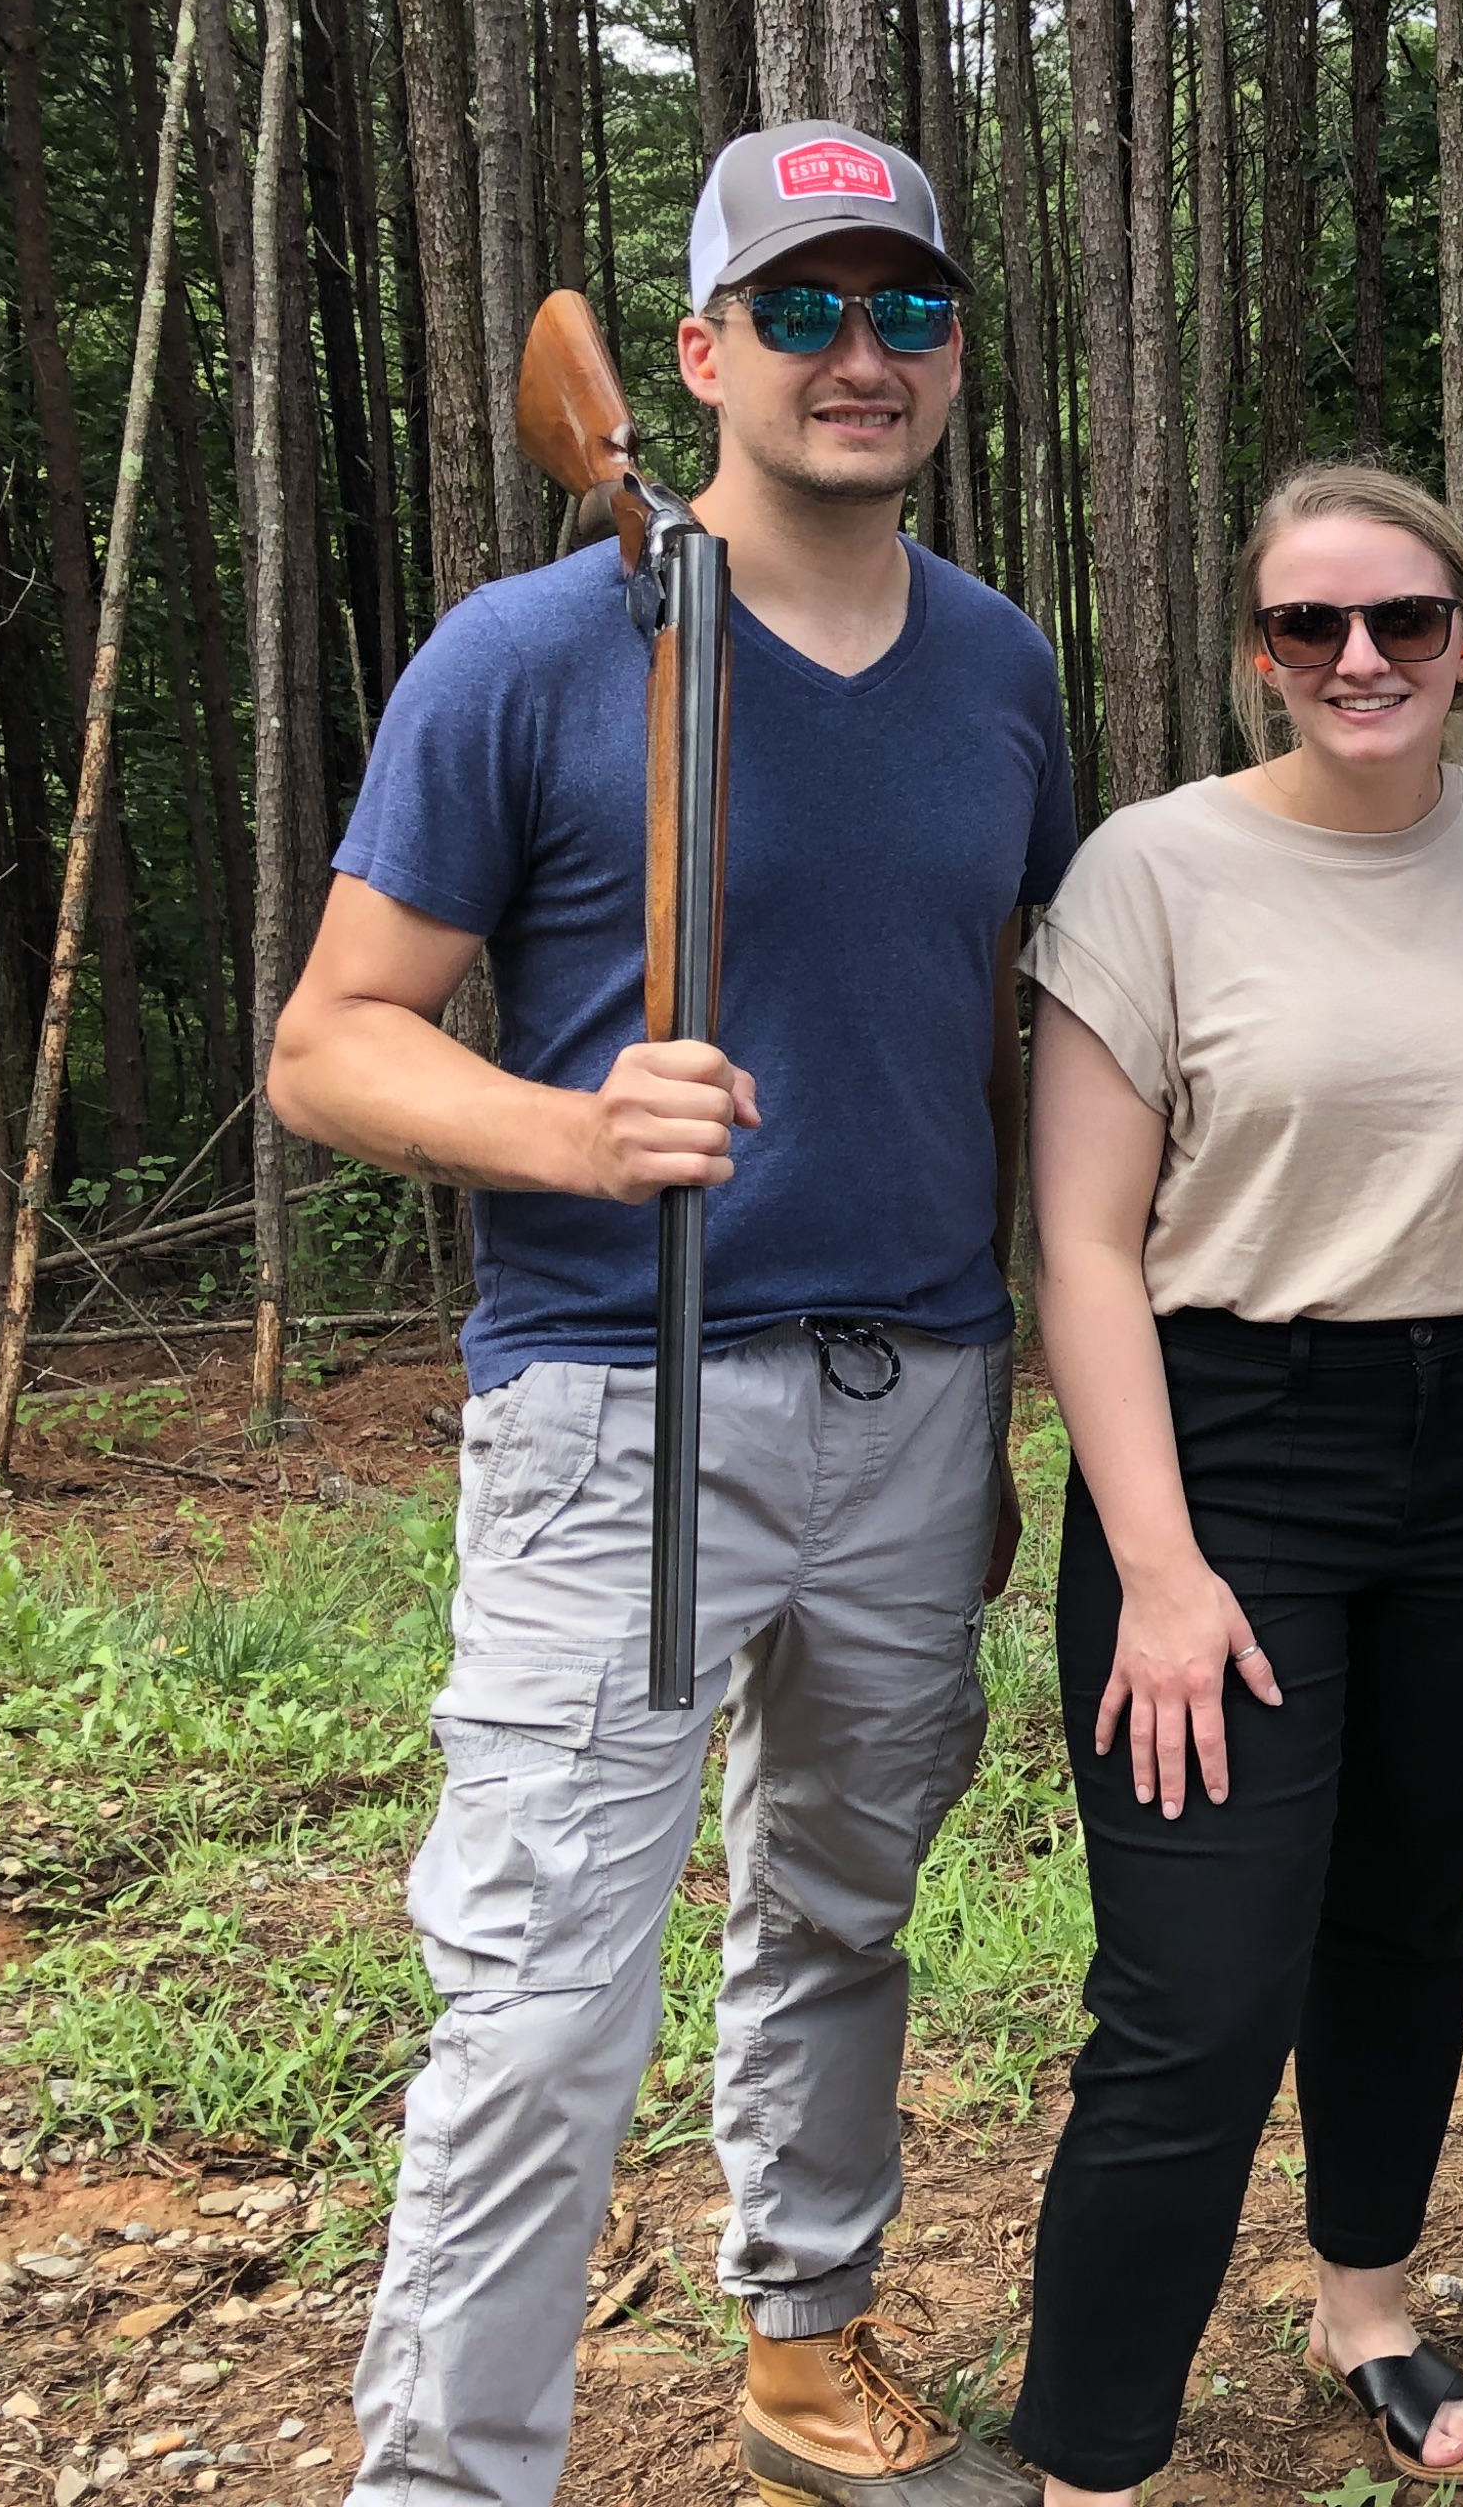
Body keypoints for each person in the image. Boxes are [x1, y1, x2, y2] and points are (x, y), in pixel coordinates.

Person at [269, 123, 1069, 2507]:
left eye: (904, 311)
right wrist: (568, 1129)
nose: (858, 355)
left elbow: (987, 1028)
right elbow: (332, 1040)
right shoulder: (534, 653)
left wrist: (1007, 1388)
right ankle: (451, 2485)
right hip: (621, 1406)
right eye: (801, 311)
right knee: (540, 2000)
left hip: (914, 1389)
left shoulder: (1004, 663)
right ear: (701, 354)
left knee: (842, 1904)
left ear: (945, 361)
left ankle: (804, 2341)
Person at [1004, 468, 1463, 2504]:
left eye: (1402, 620)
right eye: (1311, 628)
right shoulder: (1154, 873)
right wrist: (1163, 1563)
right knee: (1197, 1991)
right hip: (1227, 1447)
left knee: (1403, 1909)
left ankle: (1364, 2304)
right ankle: (1093, 2452)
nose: (1360, 658)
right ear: (1257, 656)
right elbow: (1085, 1246)